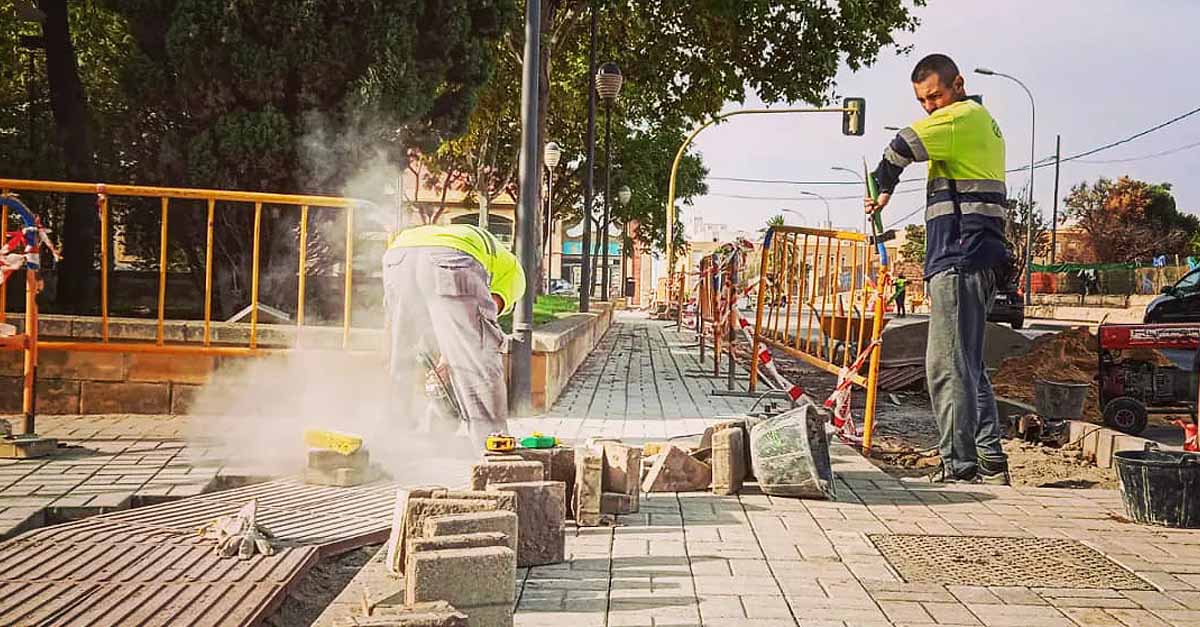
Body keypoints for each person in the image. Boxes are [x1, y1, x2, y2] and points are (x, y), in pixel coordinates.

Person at [864, 53, 1010, 484]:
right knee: (968, 364)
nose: (930, 107)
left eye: (935, 95)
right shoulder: (980, 122)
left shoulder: (959, 118)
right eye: (923, 100)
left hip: (959, 257)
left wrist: (883, 189)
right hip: (979, 257)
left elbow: (898, 147)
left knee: (945, 365)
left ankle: (958, 466)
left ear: (958, 84)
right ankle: (990, 460)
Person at [381, 223, 526, 448]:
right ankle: (492, 447)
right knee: (478, 356)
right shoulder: (515, 275)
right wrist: (451, 357)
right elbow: (473, 331)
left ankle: (396, 442)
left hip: (397, 256)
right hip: (451, 258)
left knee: (402, 358)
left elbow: (438, 331)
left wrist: (444, 358)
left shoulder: (490, 253)